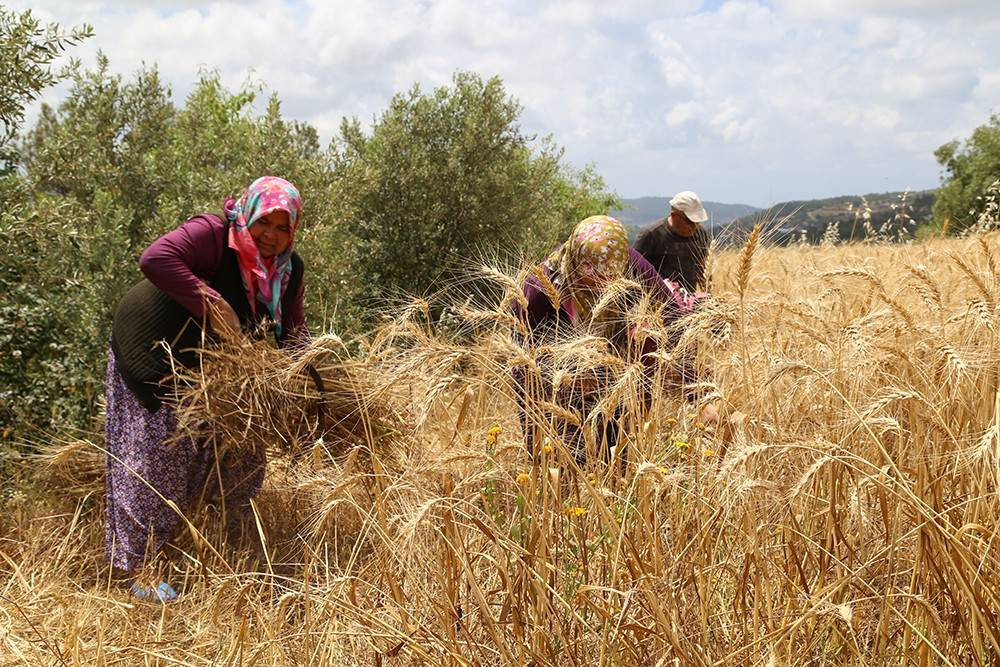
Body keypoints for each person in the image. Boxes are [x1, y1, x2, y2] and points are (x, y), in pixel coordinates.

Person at [105, 176, 307, 602]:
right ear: (248, 215)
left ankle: (218, 549)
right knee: (158, 455)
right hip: (153, 348)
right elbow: (155, 258)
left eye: (282, 227)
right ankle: (140, 572)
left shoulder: (288, 270)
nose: (270, 236)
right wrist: (211, 302)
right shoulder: (212, 235)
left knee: (244, 453)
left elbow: (293, 335)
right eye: (263, 223)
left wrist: (312, 380)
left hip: (211, 366)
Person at [513, 215, 696, 463]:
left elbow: (672, 318)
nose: (601, 284)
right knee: (565, 460)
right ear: (576, 262)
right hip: (557, 386)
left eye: (610, 277)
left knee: (617, 454)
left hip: (615, 375)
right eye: (591, 276)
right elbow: (525, 365)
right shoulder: (538, 292)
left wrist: (697, 393)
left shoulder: (626, 260)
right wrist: (537, 431)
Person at [634, 190, 710, 292]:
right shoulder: (651, 235)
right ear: (675, 216)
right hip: (656, 303)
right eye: (690, 221)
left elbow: (702, 268)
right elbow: (633, 272)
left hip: (689, 302)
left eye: (697, 221)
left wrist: (709, 295)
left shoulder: (701, 233)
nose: (694, 226)